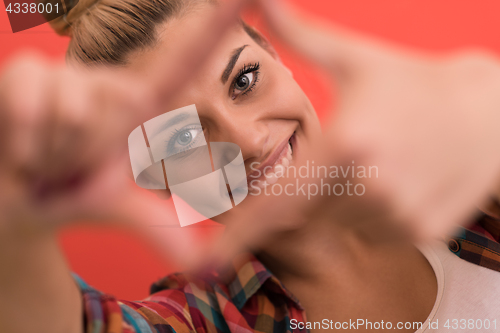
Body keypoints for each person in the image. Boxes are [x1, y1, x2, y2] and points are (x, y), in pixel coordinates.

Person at [1, 0, 500, 332]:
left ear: (275, 55)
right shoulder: (202, 322)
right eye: (183, 138)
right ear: (150, 181)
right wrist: (14, 223)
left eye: (243, 79)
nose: (250, 141)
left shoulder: (469, 190)